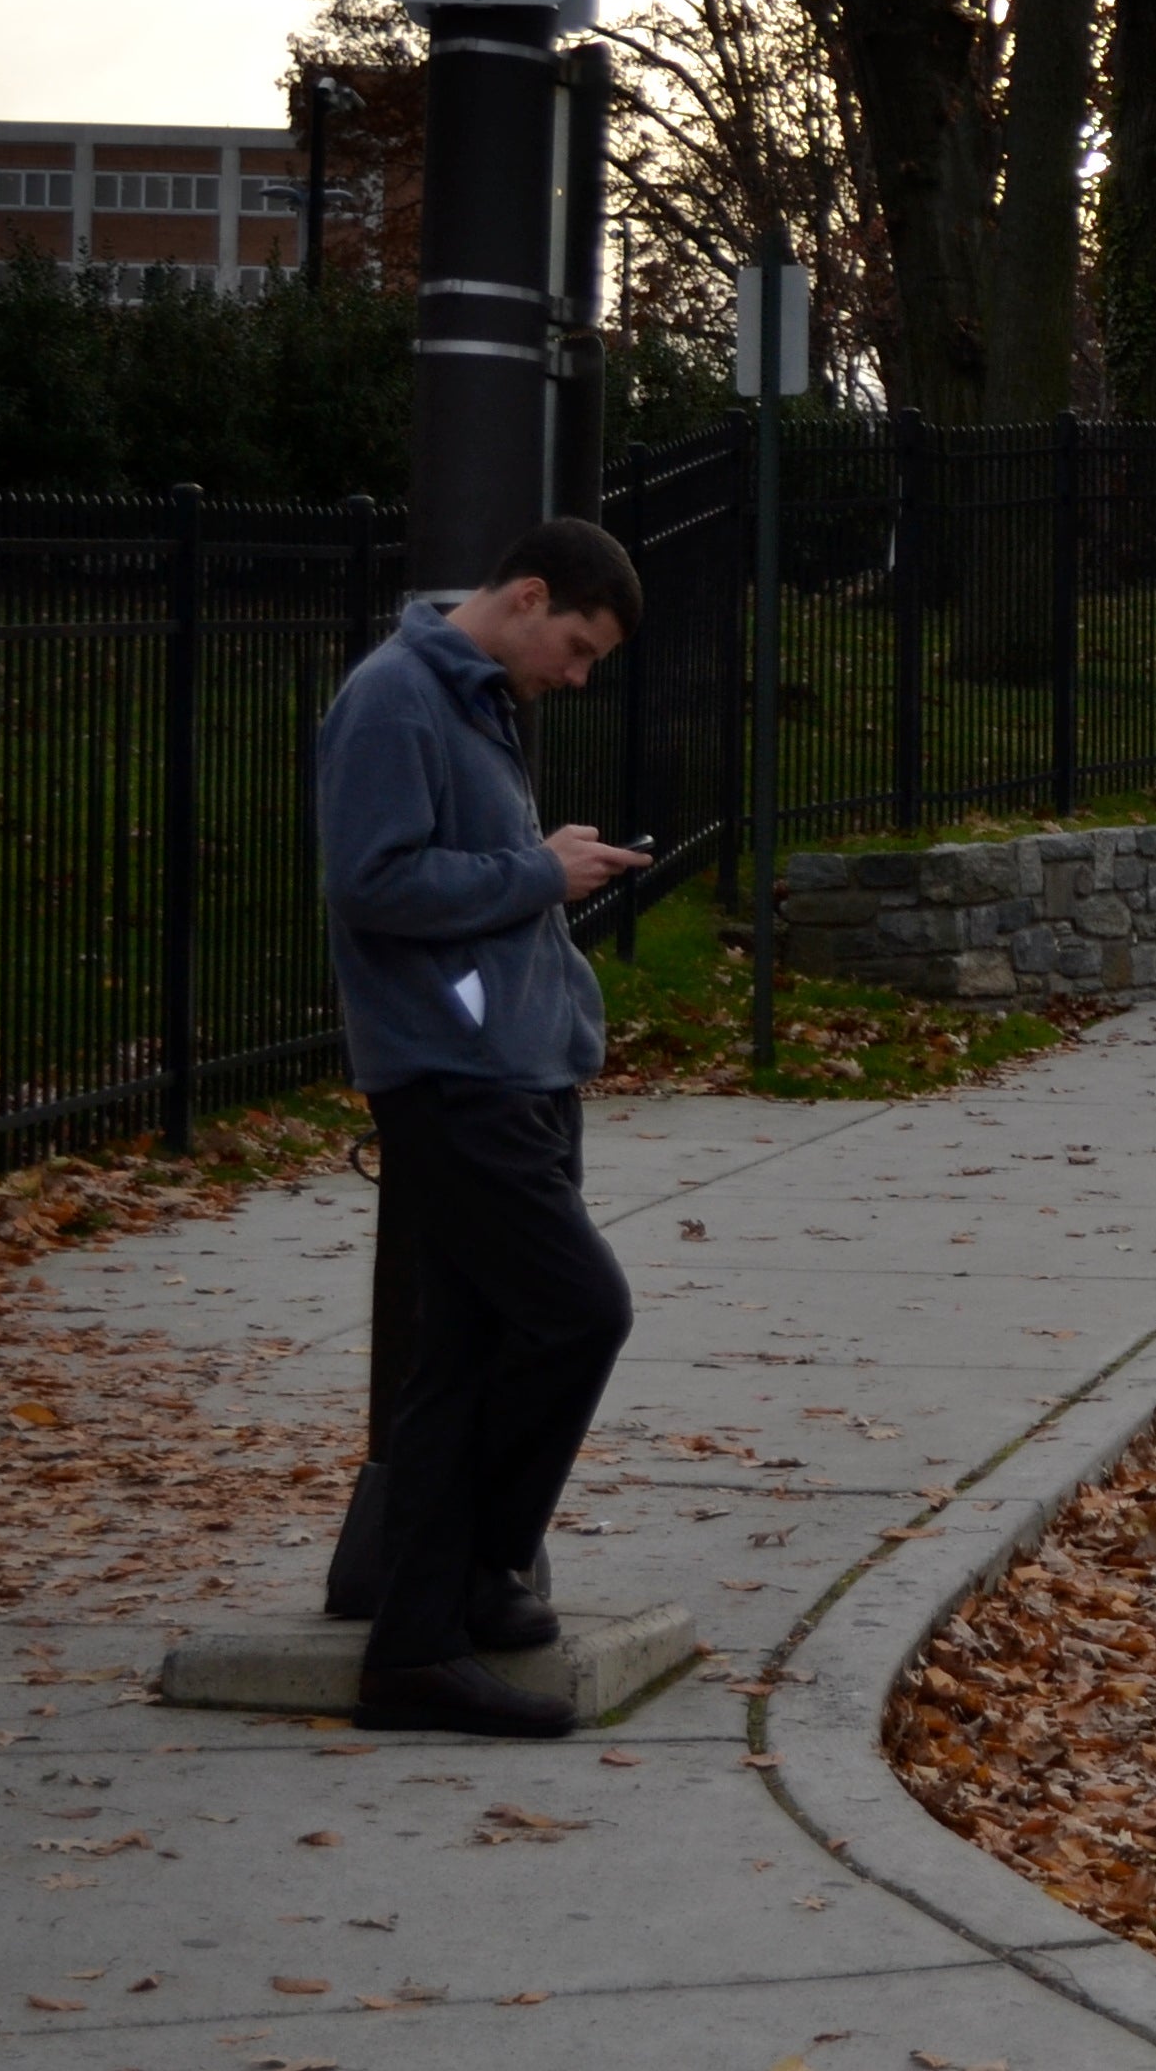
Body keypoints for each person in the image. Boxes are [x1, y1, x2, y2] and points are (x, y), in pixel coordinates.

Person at [317, 517, 652, 1739]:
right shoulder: (397, 700)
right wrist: (537, 872)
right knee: (579, 1309)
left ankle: (430, 1627)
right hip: (452, 1079)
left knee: (458, 1354)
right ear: (523, 597)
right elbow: (371, 883)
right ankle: (468, 1579)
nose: (575, 676)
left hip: (506, 1070)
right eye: (573, 646)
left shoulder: (469, 701)